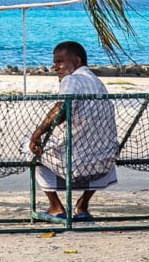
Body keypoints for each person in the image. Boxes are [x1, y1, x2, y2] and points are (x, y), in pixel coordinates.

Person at [29, 41, 118, 221]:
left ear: (76, 61)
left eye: (60, 62)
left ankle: (55, 207)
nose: (55, 68)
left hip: (74, 164)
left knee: (28, 147)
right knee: (99, 145)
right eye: (54, 63)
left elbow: (61, 110)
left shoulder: (72, 79)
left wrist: (38, 133)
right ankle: (82, 205)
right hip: (104, 162)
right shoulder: (98, 83)